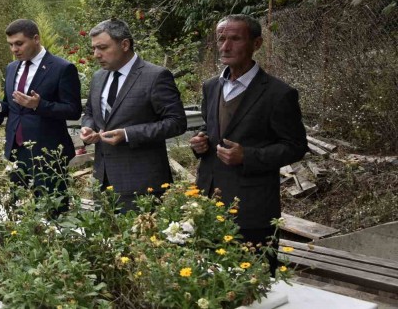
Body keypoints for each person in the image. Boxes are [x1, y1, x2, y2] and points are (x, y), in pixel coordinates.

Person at [189, 14, 307, 274]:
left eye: (235, 39)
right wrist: (200, 142)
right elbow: (212, 128)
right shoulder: (211, 86)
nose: (225, 46)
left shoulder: (278, 94)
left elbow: (296, 146)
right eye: (221, 39)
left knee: (254, 280)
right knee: (209, 281)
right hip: (208, 201)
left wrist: (248, 156)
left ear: (257, 44)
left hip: (252, 208)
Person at [80, 19, 187, 212]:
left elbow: (177, 122)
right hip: (102, 181)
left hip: (142, 184)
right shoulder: (98, 77)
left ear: (124, 44)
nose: (96, 54)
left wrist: (128, 134)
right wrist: (88, 127)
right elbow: (90, 112)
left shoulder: (155, 76)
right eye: (94, 48)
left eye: (102, 47)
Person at [0, 19, 82, 195]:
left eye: (19, 43)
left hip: (48, 153)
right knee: (17, 205)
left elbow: (73, 110)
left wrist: (39, 105)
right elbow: (12, 106)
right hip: (16, 150)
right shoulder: (11, 68)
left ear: (36, 39)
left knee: (52, 207)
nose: (14, 49)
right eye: (10, 44)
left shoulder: (62, 68)